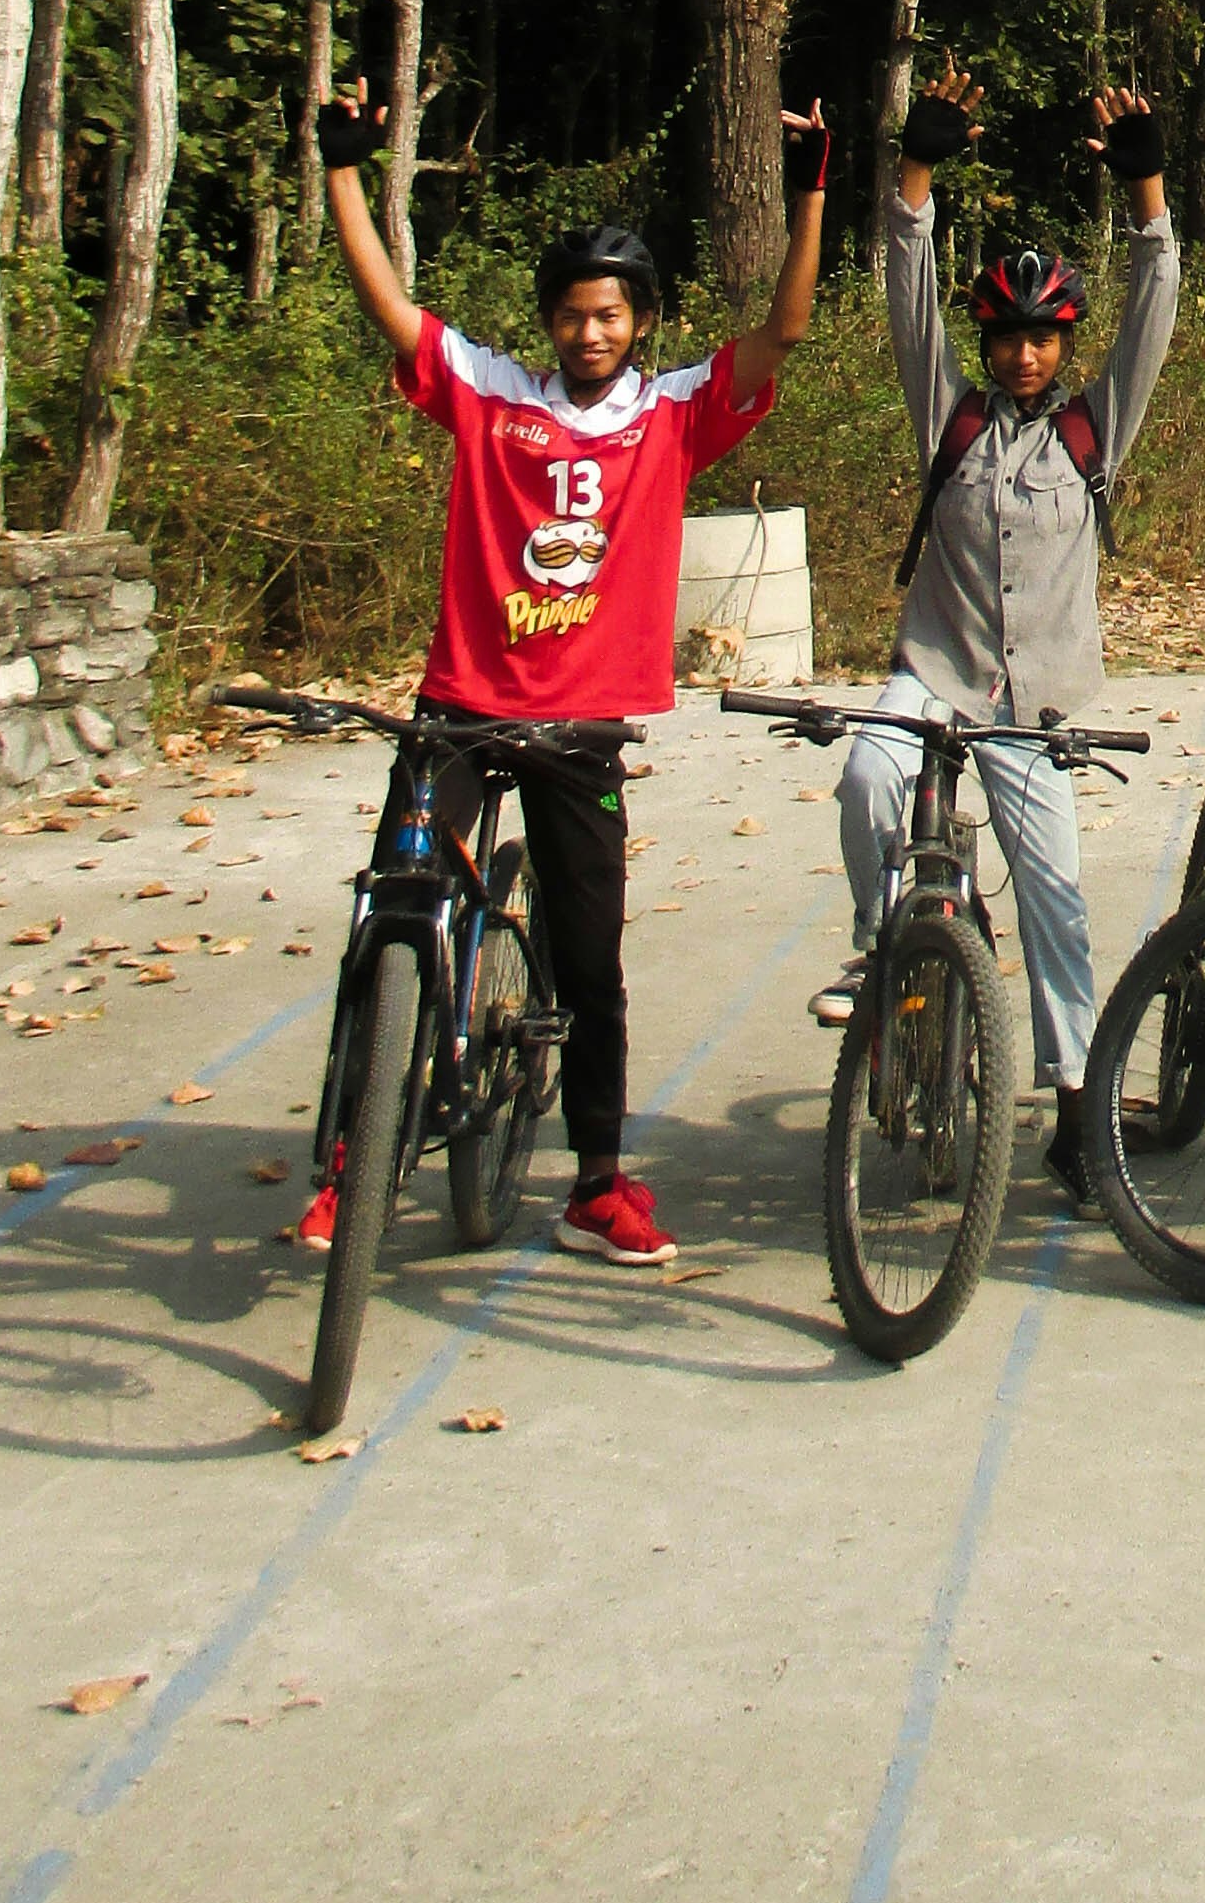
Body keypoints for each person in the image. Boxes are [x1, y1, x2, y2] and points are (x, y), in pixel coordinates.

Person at [302, 78, 828, 1267]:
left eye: (612, 316)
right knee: (389, 910)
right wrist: (343, 167)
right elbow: (390, 305)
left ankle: (597, 1179)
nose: (590, 334)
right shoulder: (494, 397)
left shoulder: (675, 413)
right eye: (573, 316)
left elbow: (783, 330)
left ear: (641, 320)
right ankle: (350, 1156)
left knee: (592, 962)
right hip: (460, 709)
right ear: (548, 320)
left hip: (584, 726)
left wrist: (809, 196)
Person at [818, 62, 1181, 1206]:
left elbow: (1157, 308)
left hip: (1039, 712)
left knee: (1057, 899)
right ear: (987, 340)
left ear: (1065, 345)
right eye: (1009, 336)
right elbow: (907, 283)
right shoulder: (950, 415)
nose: (1026, 354)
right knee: (864, 786)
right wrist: (915, 168)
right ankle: (891, 952)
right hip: (936, 678)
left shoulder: (1091, 433)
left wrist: (1148, 191)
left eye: (1044, 339)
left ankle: (1076, 1104)